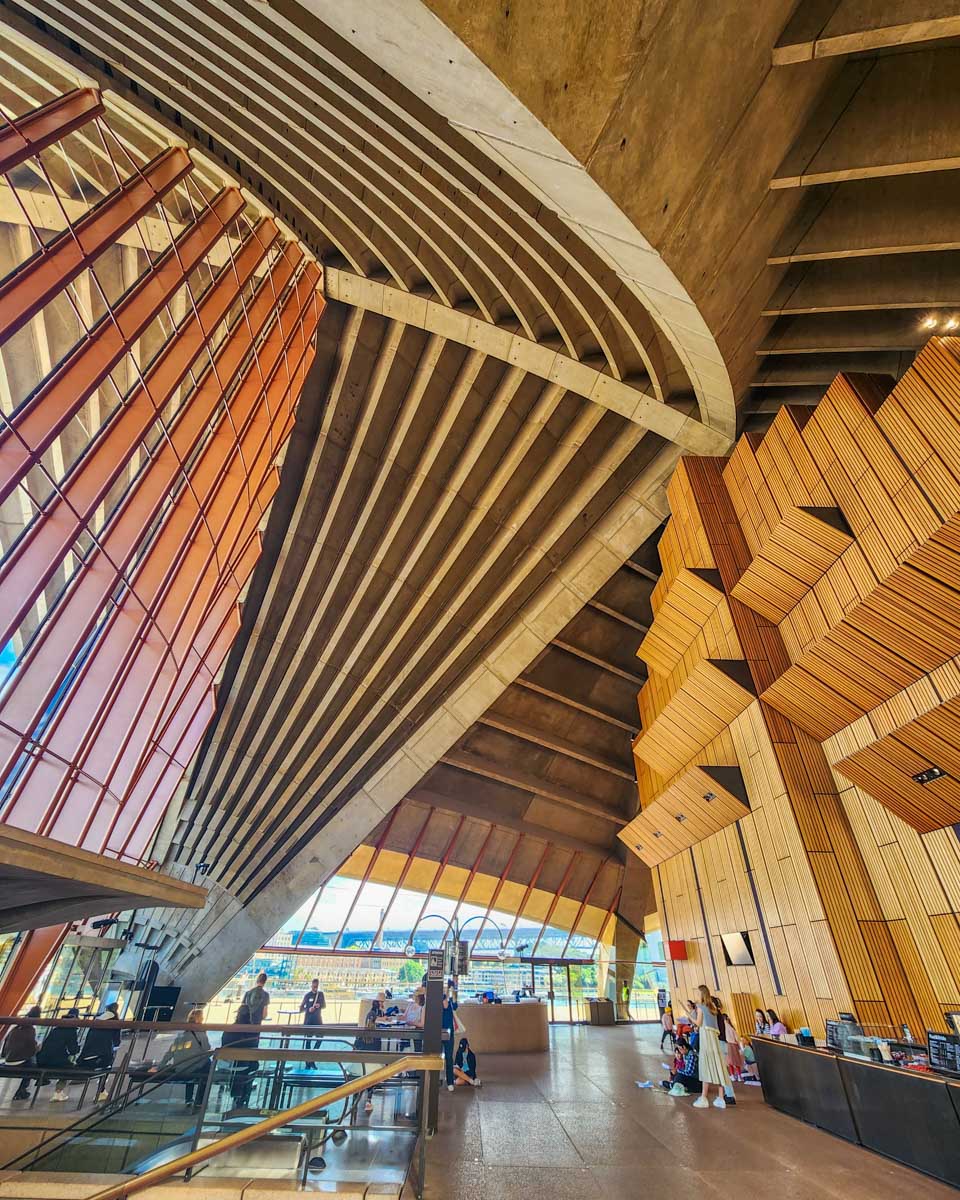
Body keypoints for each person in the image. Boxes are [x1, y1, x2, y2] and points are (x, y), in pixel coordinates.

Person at [149, 1007, 211, 1108]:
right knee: (207, 1065)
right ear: (201, 1019)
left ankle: (188, 1098)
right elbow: (207, 1051)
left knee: (191, 1063)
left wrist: (159, 1067)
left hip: (180, 1067)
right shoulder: (201, 1035)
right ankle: (200, 1100)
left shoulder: (180, 1036)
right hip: (193, 1068)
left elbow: (169, 1053)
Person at [693, 984, 730, 1109]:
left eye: (697, 993)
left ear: (702, 994)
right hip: (714, 1040)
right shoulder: (713, 1007)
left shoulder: (700, 1007)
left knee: (706, 1066)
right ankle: (721, 1098)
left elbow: (698, 1023)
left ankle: (703, 1098)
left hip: (706, 1039)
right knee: (718, 1066)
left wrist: (690, 1017)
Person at [37, 1006, 82, 1102]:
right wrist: (78, 1047)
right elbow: (73, 1050)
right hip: (56, 1062)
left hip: (42, 1060)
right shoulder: (71, 1031)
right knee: (69, 1068)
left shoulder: (55, 1029)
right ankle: (58, 1092)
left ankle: (43, 1081)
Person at [79, 1002, 122, 1102]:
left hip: (84, 1058)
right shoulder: (115, 1021)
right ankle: (101, 1091)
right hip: (100, 1058)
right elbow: (117, 1041)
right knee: (108, 1064)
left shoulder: (96, 1020)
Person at [222, 1001, 258, 1108]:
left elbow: (224, 1044)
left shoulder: (229, 1029)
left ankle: (237, 1096)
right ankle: (244, 1098)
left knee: (240, 1072)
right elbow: (254, 1047)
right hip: (245, 1063)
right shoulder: (252, 1030)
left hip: (229, 1063)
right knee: (253, 1067)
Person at [3, 1005, 41, 1101]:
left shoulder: (15, 1028)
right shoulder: (30, 1030)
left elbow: (5, 1044)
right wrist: (38, 1048)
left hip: (8, 1060)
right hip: (19, 1062)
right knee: (33, 1066)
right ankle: (22, 1090)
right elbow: (31, 1049)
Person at [355, 1011, 382, 1114]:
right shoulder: (377, 1036)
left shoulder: (360, 1035)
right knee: (371, 1078)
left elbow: (355, 1048)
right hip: (372, 1063)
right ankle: (368, 1100)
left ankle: (355, 1100)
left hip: (360, 1064)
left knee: (359, 1078)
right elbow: (378, 1050)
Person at [300, 978, 325, 1069]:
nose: (315, 988)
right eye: (314, 986)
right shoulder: (307, 995)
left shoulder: (321, 995)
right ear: (311, 985)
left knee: (320, 1038)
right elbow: (301, 1007)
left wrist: (319, 1005)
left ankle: (312, 1058)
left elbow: (324, 1005)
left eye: (316, 986)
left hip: (317, 1021)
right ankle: (308, 1061)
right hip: (309, 1021)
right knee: (308, 1041)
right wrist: (308, 1009)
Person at [441, 986, 458, 1092]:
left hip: (449, 1034)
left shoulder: (451, 1003)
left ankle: (450, 1081)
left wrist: (453, 991)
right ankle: (439, 1079)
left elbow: (456, 1005)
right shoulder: (437, 1004)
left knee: (449, 1057)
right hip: (438, 1033)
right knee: (438, 1057)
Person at [723, 1011, 745, 1082]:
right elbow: (737, 1038)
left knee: (730, 1062)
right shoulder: (731, 1027)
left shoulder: (725, 1026)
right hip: (733, 1045)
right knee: (736, 1061)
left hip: (728, 1044)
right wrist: (740, 1046)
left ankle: (733, 1075)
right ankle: (738, 1076)